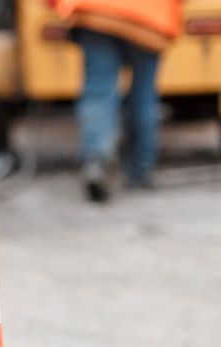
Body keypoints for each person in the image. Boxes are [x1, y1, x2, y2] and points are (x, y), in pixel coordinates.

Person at [55, 0, 182, 202]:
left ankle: (96, 160)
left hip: (96, 11)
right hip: (151, 16)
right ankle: (140, 171)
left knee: (99, 91)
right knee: (144, 95)